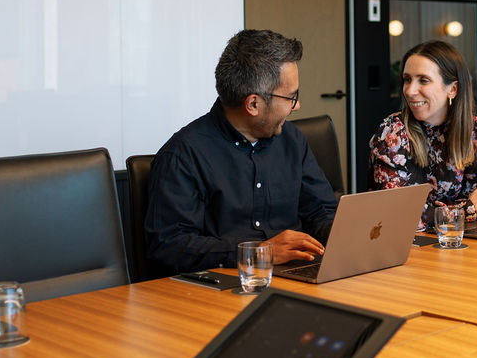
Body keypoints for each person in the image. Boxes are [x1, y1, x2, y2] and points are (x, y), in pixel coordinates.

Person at [145, 29, 338, 274]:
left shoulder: (293, 140)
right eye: (291, 97)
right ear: (253, 104)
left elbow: (320, 211)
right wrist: (258, 253)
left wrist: (347, 233)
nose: (297, 106)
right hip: (224, 284)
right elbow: (169, 246)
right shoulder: (183, 155)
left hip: (297, 274)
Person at [369, 40, 477, 231]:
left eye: (423, 80)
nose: (409, 91)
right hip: (401, 241)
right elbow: (398, 213)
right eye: (407, 79)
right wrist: (465, 211)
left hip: (458, 239)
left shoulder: (476, 129)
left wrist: (454, 212)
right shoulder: (393, 132)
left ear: (452, 89)